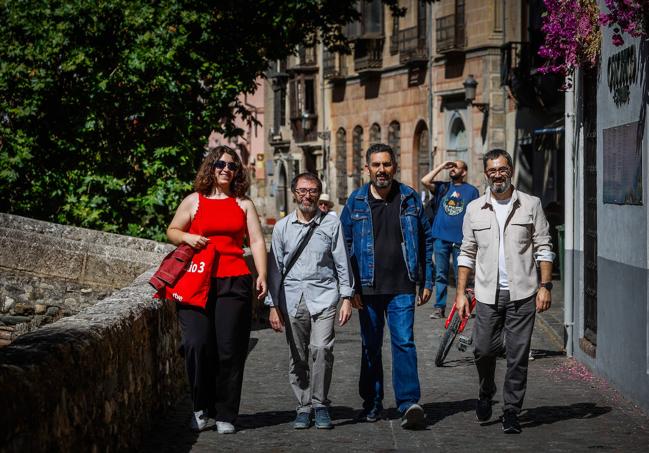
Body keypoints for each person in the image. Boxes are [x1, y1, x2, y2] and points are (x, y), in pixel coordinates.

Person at [166, 145, 267, 434]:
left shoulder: (243, 204)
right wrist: (188, 236)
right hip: (197, 280)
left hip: (233, 280)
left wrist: (262, 274)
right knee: (197, 345)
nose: (226, 169)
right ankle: (200, 407)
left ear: (238, 172)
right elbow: (172, 231)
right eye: (221, 164)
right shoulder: (194, 201)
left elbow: (257, 242)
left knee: (230, 350)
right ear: (211, 167)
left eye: (232, 166)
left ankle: (225, 413)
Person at [454, 148, 554, 434]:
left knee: (517, 355)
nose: (498, 174)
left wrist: (545, 286)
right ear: (486, 174)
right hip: (486, 294)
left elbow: (544, 248)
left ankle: (512, 410)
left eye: (502, 169)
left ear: (510, 170)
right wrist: (461, 293)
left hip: (522, 293)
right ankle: (486, 390)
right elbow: (467, 253)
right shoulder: (474, 208)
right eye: (492, 170)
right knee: (482, 349)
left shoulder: (531, 204)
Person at [340, 143, 434, 430]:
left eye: (387, 164)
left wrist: (427, 279)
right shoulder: (355, 201)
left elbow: (426, 239)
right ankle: (372, 403)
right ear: (367, 168)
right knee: (370, 346)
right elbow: (342, 246)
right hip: (366, 288)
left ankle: (408, 404)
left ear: (395, 166)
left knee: (404, 342)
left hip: (403, 285)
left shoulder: (410, 198)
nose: (382, 170)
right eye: (376, 165)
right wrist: (350, 288)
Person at [266, 173, 354, 430]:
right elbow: (275, 270)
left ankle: (320, 404)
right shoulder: (282, 227)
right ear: (294, 193)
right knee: (298, 354)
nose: (307, 195)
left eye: (313, 190)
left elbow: (342, 262)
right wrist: (273, 305)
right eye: (303, 190)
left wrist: (346, 297)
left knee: (322, 349)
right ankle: (303, 406)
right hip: (292, 299)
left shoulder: (331, 224)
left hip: (324, 296)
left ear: (319, 194)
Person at [421, 160, 479, 319]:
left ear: (464, 172)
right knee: (441, 275)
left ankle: (463, 306)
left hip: (461, 240)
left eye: (456, 167)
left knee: (463, 275)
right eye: (451, 167)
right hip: (440, 238)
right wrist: (442, 165)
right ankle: (439, 308)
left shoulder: (472, 191)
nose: (452, 169)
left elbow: (475, 215)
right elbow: (424, 181)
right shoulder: (443, 187)